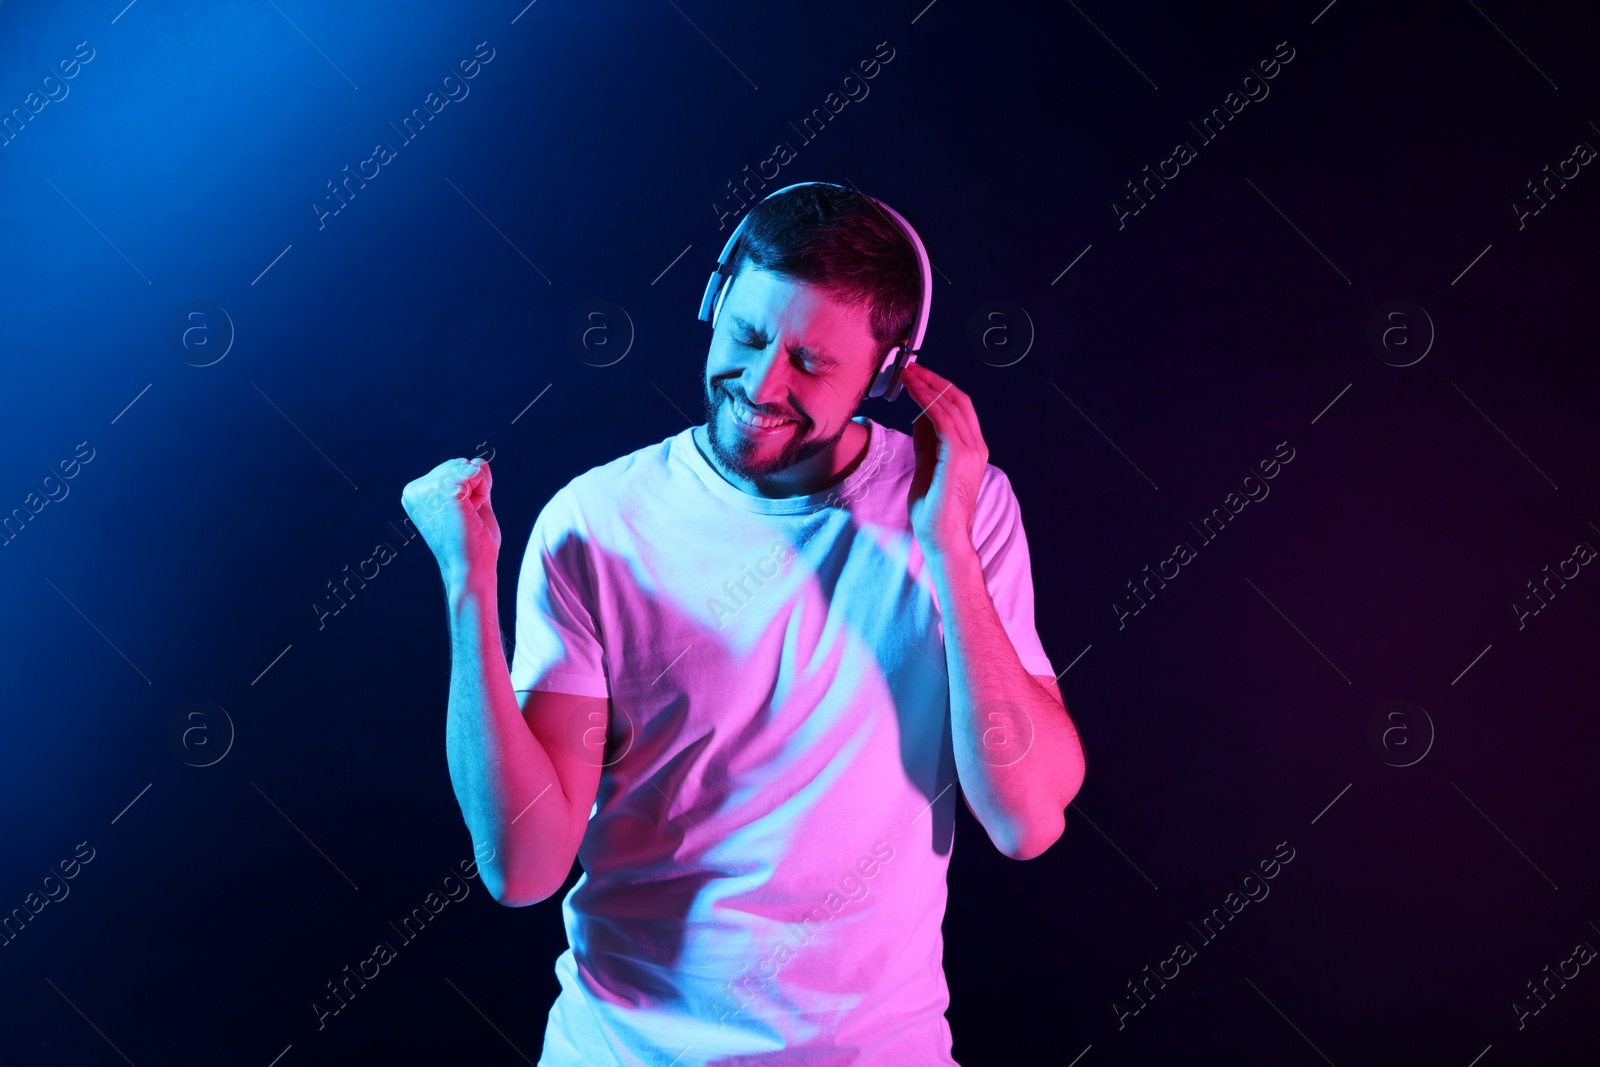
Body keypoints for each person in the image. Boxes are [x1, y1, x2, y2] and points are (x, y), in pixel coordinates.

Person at [401, 183, 1086, 1066]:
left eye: (810, 362)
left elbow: (1027, 818)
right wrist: (468, 582)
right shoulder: (599, 521)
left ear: (886, 374)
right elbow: (523, 866)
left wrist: (946, 546)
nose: (761, 383)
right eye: (749, 335)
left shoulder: (965, 507)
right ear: (713, 302)